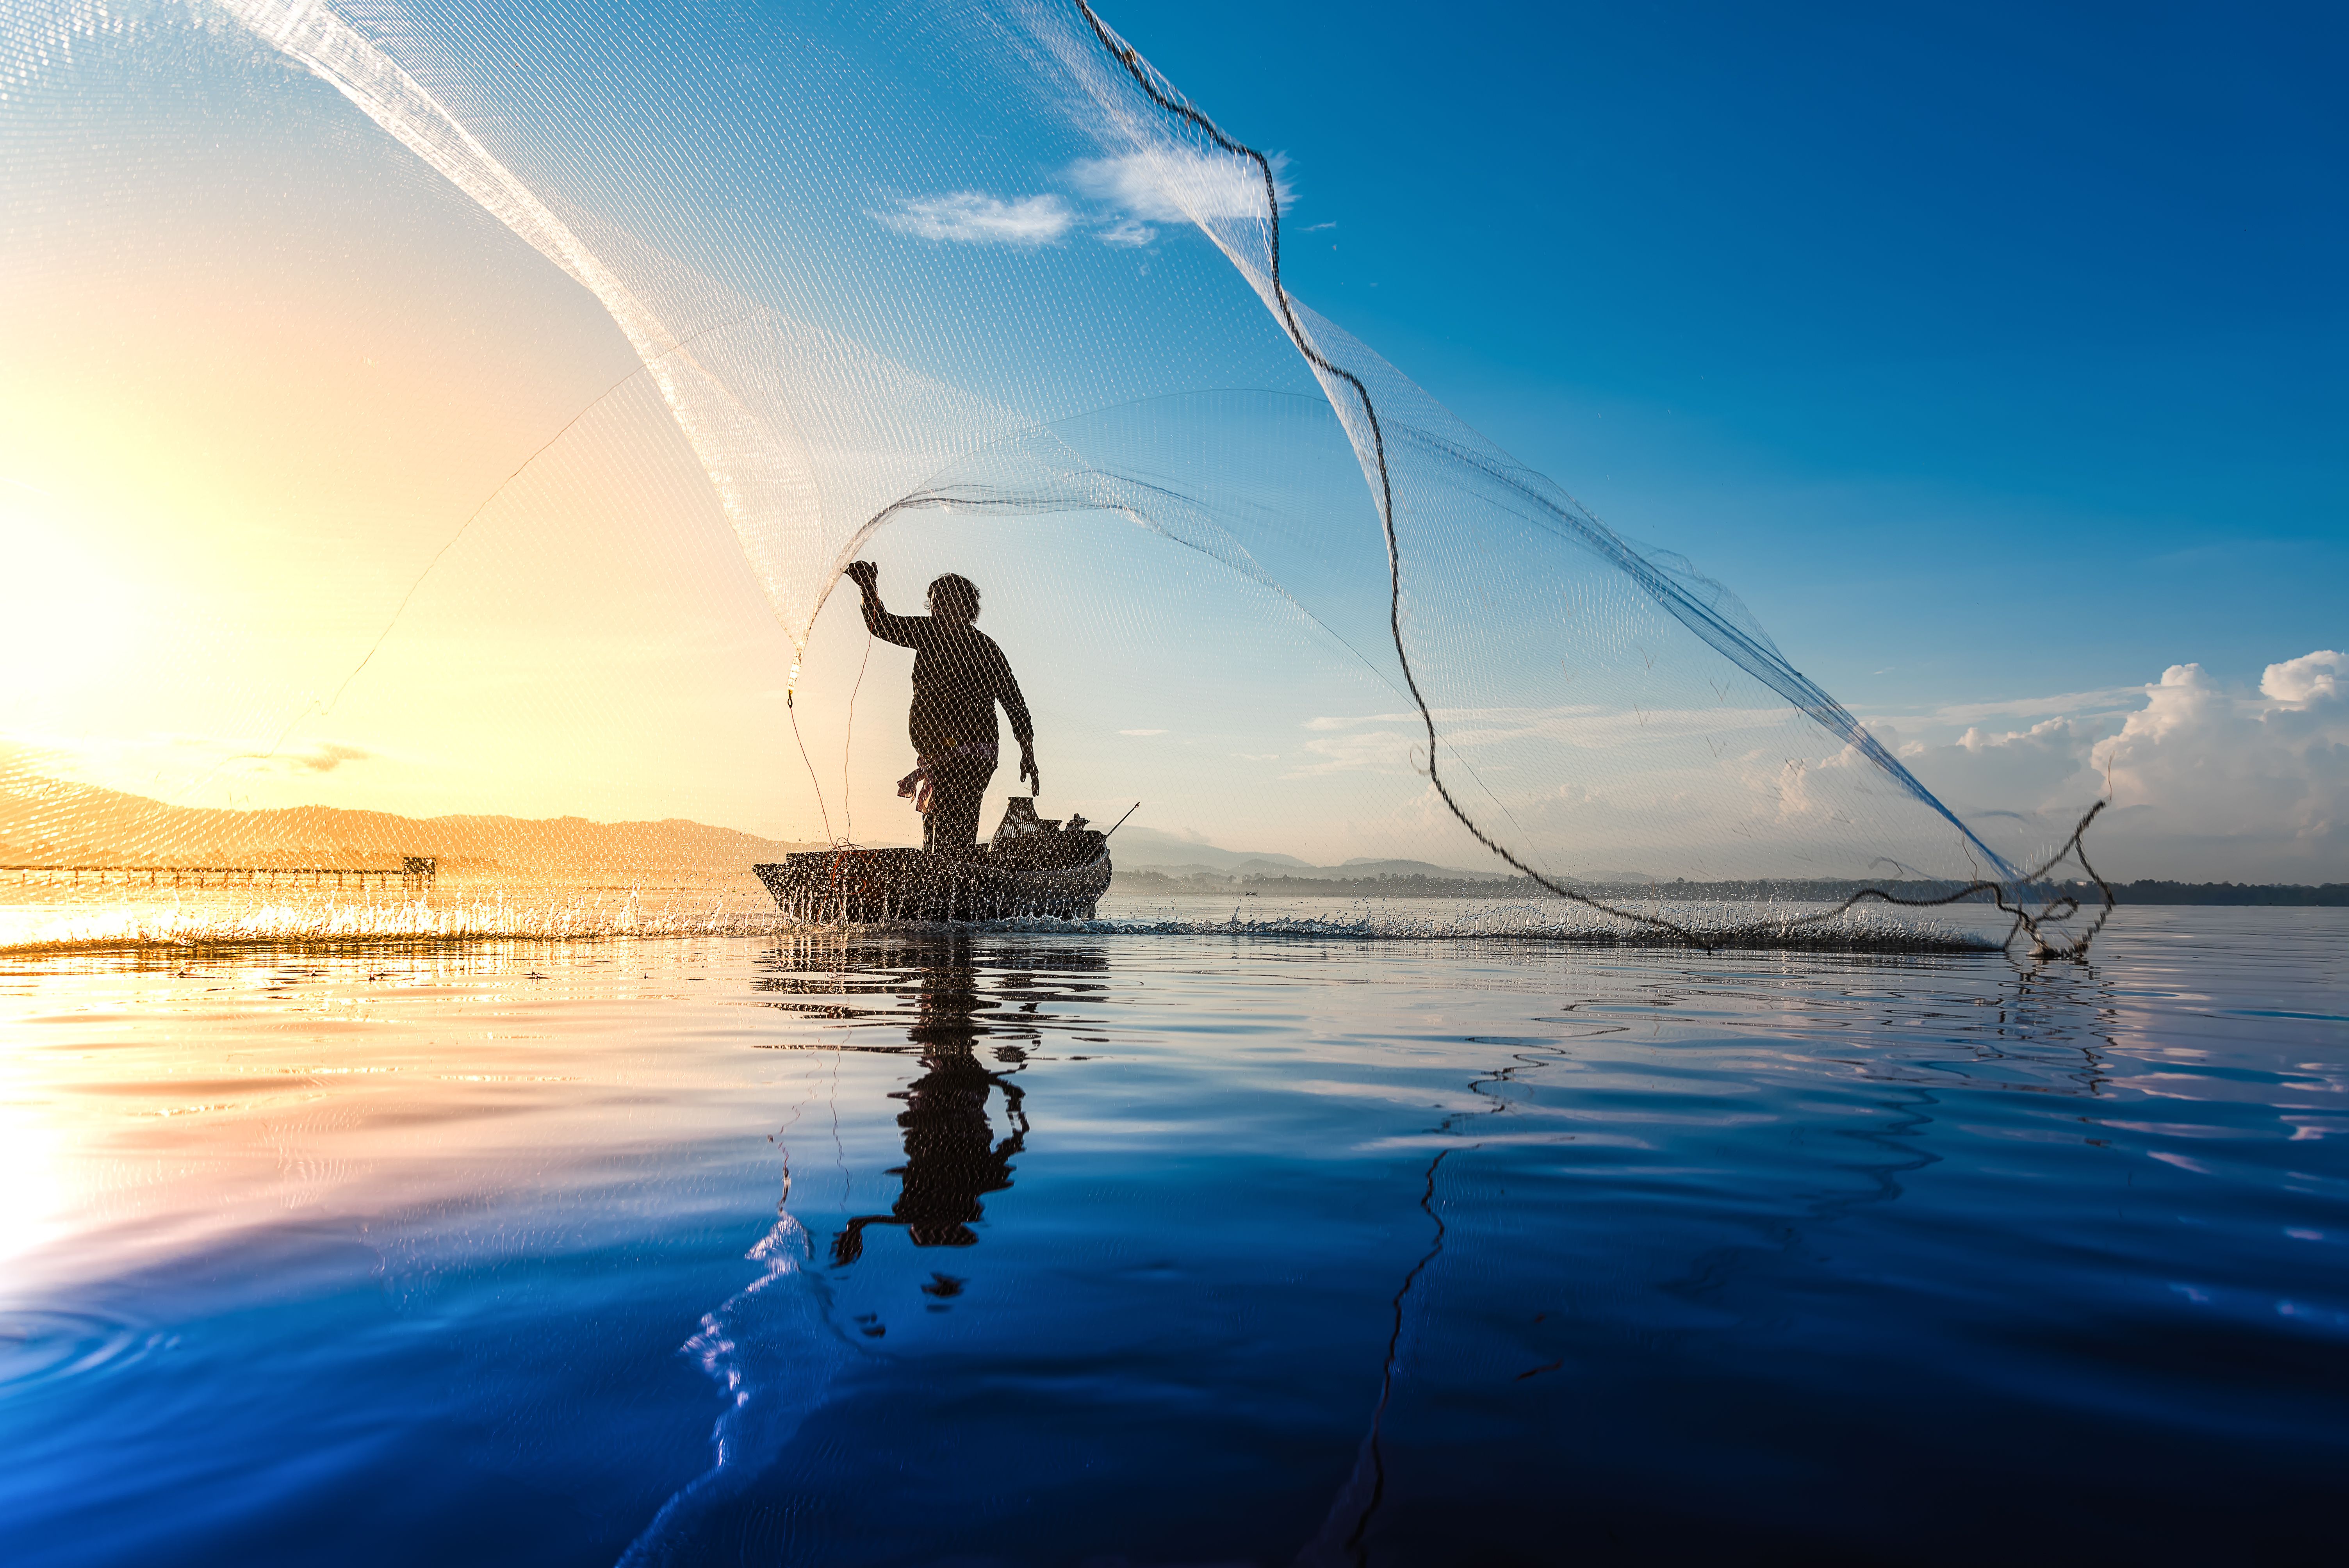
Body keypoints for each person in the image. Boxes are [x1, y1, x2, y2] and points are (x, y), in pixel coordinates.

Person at [843, 559, 1037, 854]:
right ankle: (942, 869)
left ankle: (951, 871)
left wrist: (1027, 750)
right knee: (936, 827)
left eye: (947, 603)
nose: (939, 610)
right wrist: (868, 589)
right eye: (935, 604)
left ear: (967, 610)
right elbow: (881, 625)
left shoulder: (986, 650)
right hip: (936, 755)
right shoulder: (928, 633)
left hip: (972, 754)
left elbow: (1014, 701)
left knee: (951, 830)